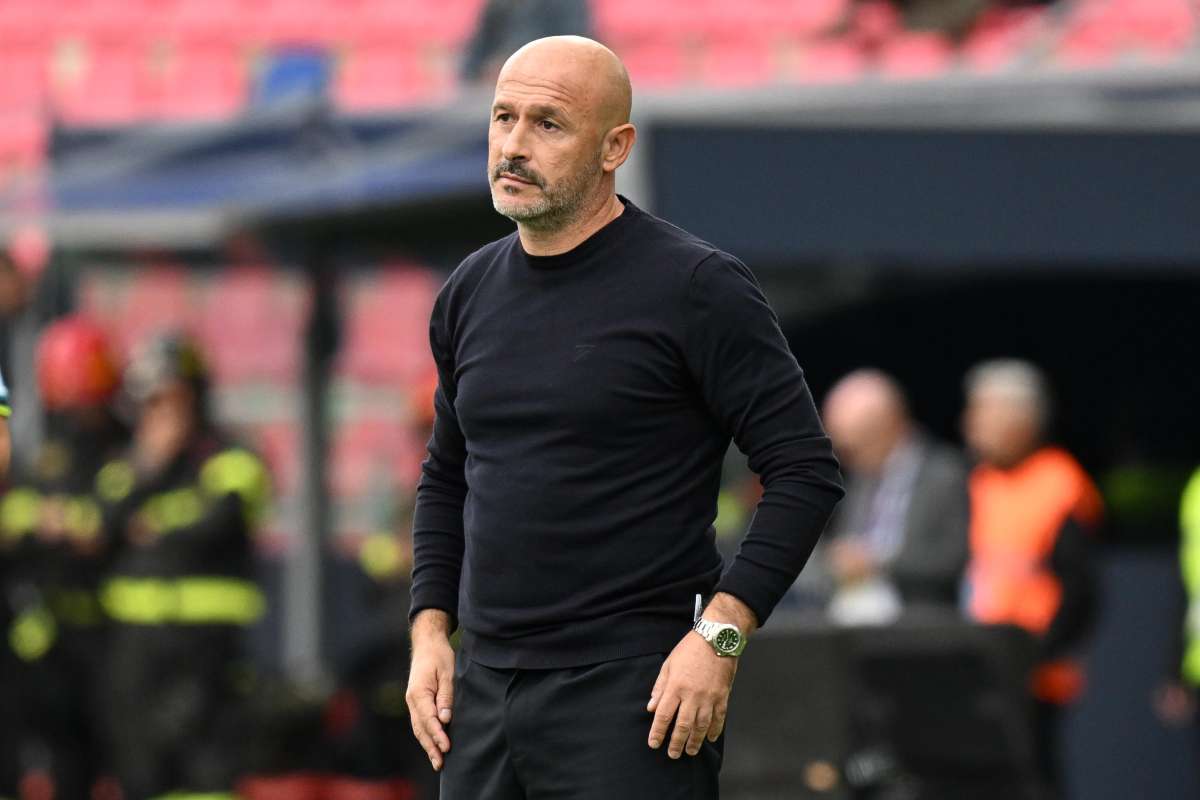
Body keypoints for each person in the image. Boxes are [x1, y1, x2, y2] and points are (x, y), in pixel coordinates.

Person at [405, 35, 844, 798]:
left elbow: (805, 472)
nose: (513, 145)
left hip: (633, 695)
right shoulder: (468, 291)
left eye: (548, 124)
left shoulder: (696, 286)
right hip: (482, 693)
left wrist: (720, 637)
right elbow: (447, 476)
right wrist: (429, 630)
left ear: (615, 147)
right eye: (504, 117)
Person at [96, 332, 270, 800]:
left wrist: (155, 523)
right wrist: (150, 463)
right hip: (135, 650)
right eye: (149, 401)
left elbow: (224, 518)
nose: (160, 411)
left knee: (205, 775)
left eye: (169, 397)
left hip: (205, 650)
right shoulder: (128, 464)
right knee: (139, 771)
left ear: (195, 394)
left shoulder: (231, 455)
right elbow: (104, 523)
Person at [0, 316, 126, 798]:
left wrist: (70, 523)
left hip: (116, 638)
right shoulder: (50, 458)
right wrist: (47, 522)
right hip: (56, 641)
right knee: (63, 761)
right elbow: (17, 516)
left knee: (122, 761)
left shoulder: (125, 452)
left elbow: (111, 523)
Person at [962, 359, 1101, 795]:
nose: (970, 423)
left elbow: (1081, 590)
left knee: (1035, 779)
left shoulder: (1061, 482)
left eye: (982, 411)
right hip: (981, 663)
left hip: (1035, 671)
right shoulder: (982, 480)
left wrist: (1039, 653)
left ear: (1021, 418)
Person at [814, 368, 969, 624]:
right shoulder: (861, 480)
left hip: (923, 620)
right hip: (854, 617)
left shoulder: (945, 475)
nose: (848, 459)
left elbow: (954, 559)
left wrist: (878, 562)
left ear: (889, 425)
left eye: (857, 445)